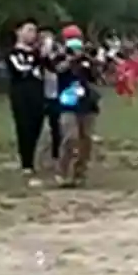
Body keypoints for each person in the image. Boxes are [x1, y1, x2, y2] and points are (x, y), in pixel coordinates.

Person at [56, 37, 101, 186]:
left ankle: (80, 173)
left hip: (87, 105)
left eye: (78, 49)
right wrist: (70, 60)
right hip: (68, 105)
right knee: (70, 138)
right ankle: (63, 172)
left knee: (85, 139)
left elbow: (96, 77)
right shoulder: (61, 61)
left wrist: (90, 60)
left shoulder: (87, 63)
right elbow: (58, 69)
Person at [6, 20, 47, 184]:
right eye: (29, 30)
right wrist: (38, 57)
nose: (32, 34)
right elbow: (21, 70)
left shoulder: (37, 53)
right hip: (21, 94)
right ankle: (26, 163)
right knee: (24, 126)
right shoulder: (13, 53)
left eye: (34, 31)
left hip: (38, 93)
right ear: (19, 32)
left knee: (37, 124)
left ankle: (33, 157)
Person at [38, 28, 65, 165]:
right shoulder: (37, 56)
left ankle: (56, 153)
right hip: (41, 95)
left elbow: (55, 66)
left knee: (56, 126)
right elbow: (44, 62)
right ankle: (38, 155)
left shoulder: (58, 54)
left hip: (55, 95)